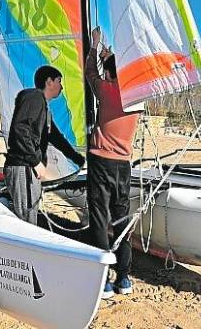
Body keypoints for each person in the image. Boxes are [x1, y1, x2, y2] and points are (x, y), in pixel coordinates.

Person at [85, 26, 142, 299]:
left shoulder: (106, 90)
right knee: (121, 219)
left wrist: (95, 46)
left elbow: (89, 74)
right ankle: (124, 278)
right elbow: (112, 74)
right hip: (123, 165)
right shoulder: (136, 99)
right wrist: (110, 59)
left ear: (108, 72)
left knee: (99, 218)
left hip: (100, 161)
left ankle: (103, 281)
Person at [4, 65, 85, 225]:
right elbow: (20, 129)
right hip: (22, 166)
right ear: (49, 82)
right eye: (59, 81)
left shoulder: (44, 108)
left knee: (31, 214)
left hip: (29, 166)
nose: (61, 86)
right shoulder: (34, 97)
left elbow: (55, 137)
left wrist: (78, 159)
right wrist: (35, 161)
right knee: (25, 218)